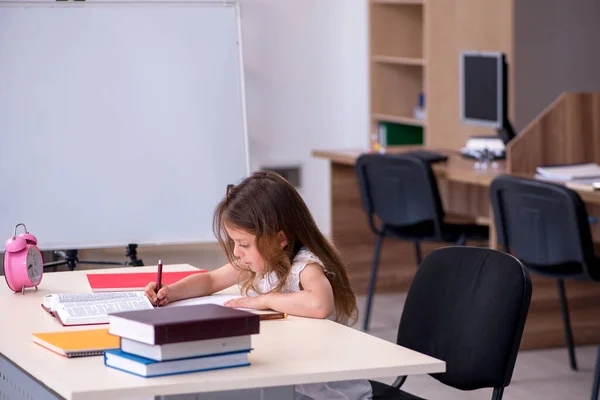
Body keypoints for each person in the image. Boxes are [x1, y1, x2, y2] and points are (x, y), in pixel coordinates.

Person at [144, 171, 373, 400]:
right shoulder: (263, 262)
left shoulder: (304, 266)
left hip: (323, 391)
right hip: (288, 376)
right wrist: (171, 291)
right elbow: (212, 280)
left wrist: (265, 300)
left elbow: (319, 304)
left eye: (243, 244)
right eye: (234, 243)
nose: (236, 252)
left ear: (280, 239)